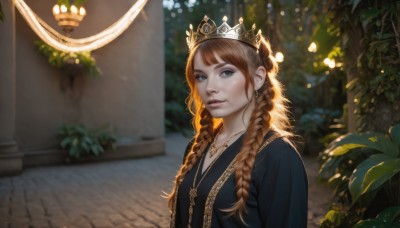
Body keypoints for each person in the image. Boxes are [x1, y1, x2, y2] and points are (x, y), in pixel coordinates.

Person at [167, 15, 308, 228]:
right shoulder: (197, 146)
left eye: (226, 72)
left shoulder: (278, 156)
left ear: (258, 77)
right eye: (201, 76)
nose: (210, 87)